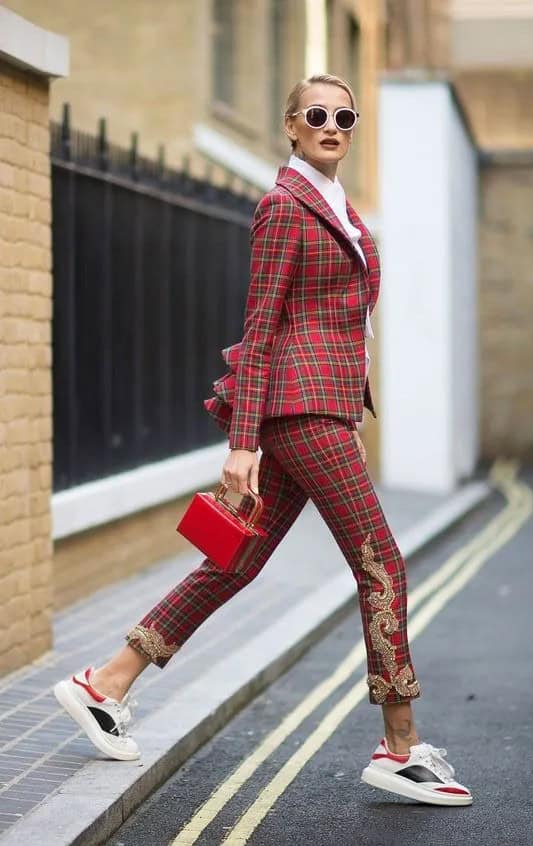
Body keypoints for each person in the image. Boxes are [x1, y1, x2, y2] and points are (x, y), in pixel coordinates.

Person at [54, 74, 472, 807]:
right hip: (302, 411)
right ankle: (401, 747)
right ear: (291, 125)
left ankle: (105, 681)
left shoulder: (335, 202)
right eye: (317, 115)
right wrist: (242, 442)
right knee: (382, 565)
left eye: (345, 115)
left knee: (234, 559)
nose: (332, 125)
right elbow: (262, 323)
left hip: (319, 404)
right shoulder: (284, 205)